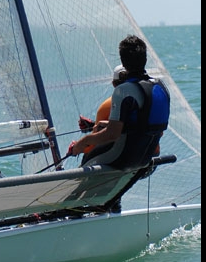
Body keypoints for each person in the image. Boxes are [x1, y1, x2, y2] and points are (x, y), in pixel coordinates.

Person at [68, 35, 169, 168]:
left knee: (86, 162)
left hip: (124, 158)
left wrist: (81, 143)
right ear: (145, 58)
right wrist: (95, 125)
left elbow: (112, 134)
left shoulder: (123, 91)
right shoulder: (161, 87)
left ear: (123, 61)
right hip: (146, 158)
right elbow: (142, 124)